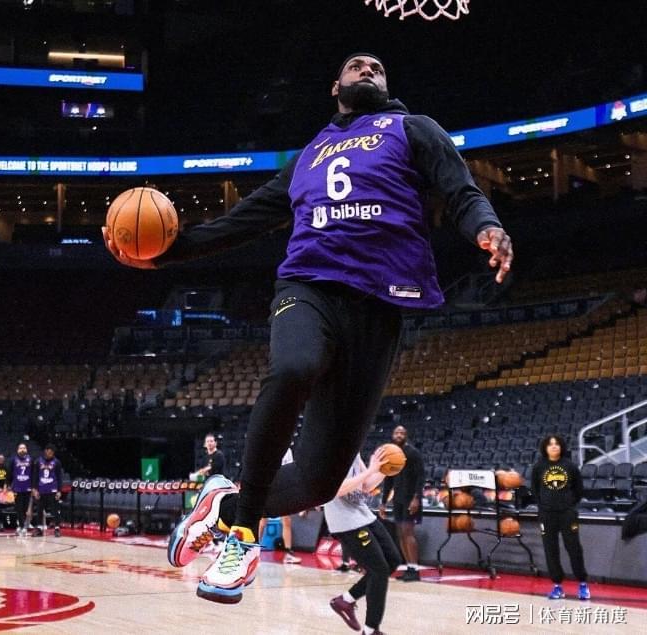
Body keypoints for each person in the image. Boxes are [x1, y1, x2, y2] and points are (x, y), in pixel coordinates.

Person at [105, 52, 513, 603]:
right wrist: (161, 255)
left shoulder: (413, 129)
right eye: (355, 65)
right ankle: (242, 537)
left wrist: (487, 226)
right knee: (295, 366)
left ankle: (224, 504)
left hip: (379, 309)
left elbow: (460, 190)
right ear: (335, 87)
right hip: (309, 286)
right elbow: (243, 220)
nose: (367, 68)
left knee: (319, 481)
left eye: (376, 66)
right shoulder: (309, 155)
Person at [326, 447, 401, 635]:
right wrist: (371, 469)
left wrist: (383, 469)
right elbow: (338, 489)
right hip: (345, 520)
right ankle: (371, 630)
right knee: (379, 570)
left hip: (362, 514)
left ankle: (346, 600)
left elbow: (365, 486)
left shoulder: (354, 450)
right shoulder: (332, 451)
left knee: (393, 560)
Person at [531, 435, 591, 600]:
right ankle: (557, 586)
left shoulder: (570, 466)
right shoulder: (539, 467)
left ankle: (582, 584)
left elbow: (579, 489)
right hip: (547, 515)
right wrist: (543, 506)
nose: (554, 446)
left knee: (574, 548)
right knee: (551, 550)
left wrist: (570, 506)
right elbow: (535, 489)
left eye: (557, 444)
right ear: (545, 448)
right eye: (550, 444)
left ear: (561, 447)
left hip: (567, 514)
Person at [378, 426, 425, 581]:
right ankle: (408, 568)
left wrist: (417, 498)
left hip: (411, 498)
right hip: (398, 498)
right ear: (392, 435)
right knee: (400, 533)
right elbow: (388, 480)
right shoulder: (392, 455)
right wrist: (383, 502)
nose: (399, 435)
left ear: (406, 436)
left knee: (408, 532)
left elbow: (421, 477)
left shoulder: (413, 453)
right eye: (396, 433)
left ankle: (415, 569)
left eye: (402, 433)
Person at [258, 447, 302, 564]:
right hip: (268, 488)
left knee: (287, 520)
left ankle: (288, 553)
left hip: (283, 489)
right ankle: (253, 551)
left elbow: (291, 471)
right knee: (263, 521)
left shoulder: (288, 451)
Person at [31, 444, 63, 538]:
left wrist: (59, 491)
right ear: (45, 451)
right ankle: (39, 529)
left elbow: (59, 477)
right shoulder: (38, 461)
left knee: (55, 510)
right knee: (39, 510)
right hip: (41, 490)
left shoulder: (57, 462)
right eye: (49, 452)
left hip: (53, 490)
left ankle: (57, 528)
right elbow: (35, 476)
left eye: (52, 452)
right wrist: (34, 489)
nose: (50, 454)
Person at [8, 443, 33, 536]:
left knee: (26, 508)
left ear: (26, 449)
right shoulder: (13, 460)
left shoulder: (31, 459)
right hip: (17, 488)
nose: (22, 450)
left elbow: (34, 473)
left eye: (24, 448)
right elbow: (9, 473)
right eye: (20, 448)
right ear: (17, 450)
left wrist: (34, 486)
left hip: (28, 488)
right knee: (19, 508)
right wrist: (8, 484)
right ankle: (21, 526)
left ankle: (24, 525)